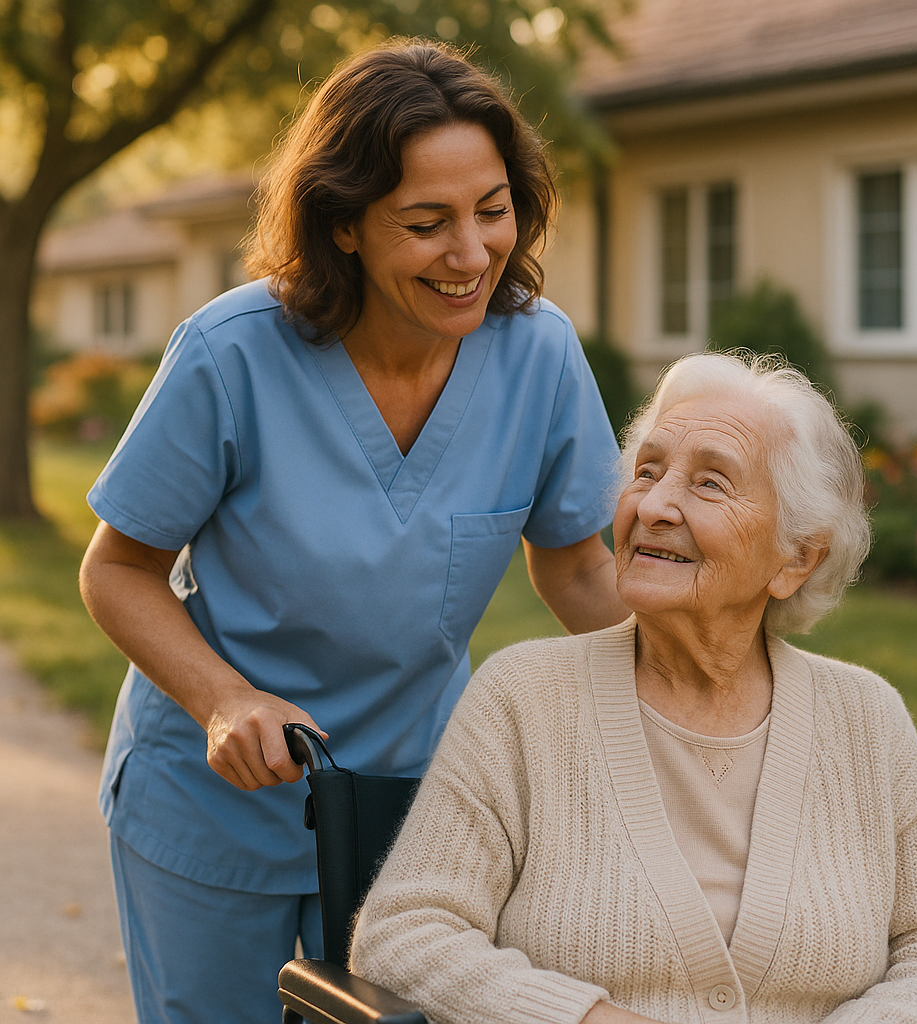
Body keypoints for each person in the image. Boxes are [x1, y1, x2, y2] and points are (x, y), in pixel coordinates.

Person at [78, 39, 629, 1024]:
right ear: (342, 226)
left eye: (492, 210)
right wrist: (224, 699)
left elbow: (579, 572)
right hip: (211, 797)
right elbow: (116, 569)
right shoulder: (228, 355)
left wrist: (713, 677)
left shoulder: (538, 356)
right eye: (426, 223)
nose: (471, 254)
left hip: (417, 806)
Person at [351, 351, 917, 1024]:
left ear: (797, 557)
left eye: (710, 484)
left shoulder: (866, 718)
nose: (655, 505)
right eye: (648, 471)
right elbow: (405, 935)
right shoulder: (524, 700)